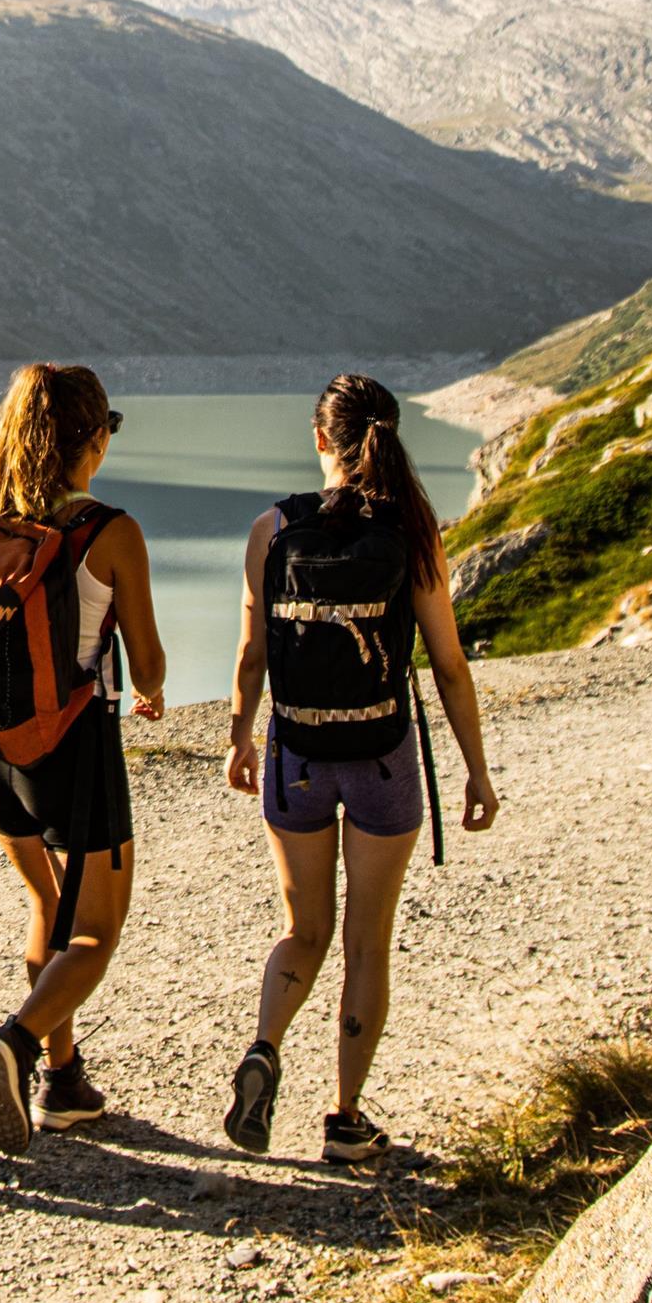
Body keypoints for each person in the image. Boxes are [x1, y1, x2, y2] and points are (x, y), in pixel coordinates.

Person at [219, 374, 497, 1165]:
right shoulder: (413, 529)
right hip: (382, 757)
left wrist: (241, 736)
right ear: (389, 434)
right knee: (366, 940)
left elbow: (252, 655)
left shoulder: (271, 529)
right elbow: (447, 664)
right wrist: (477, 771)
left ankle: (265, 1047)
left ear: (320, 439)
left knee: (304, 928)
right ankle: (344, 1119)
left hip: (296, 755)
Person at [0, 363, 166, 1156]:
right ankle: (14, 1043)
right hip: (70, 759)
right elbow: (146, 665)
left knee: (48, 904)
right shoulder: (110, 531)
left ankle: (63, 1080)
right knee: (97, 934)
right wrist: (146, 683)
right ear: (95, 438)